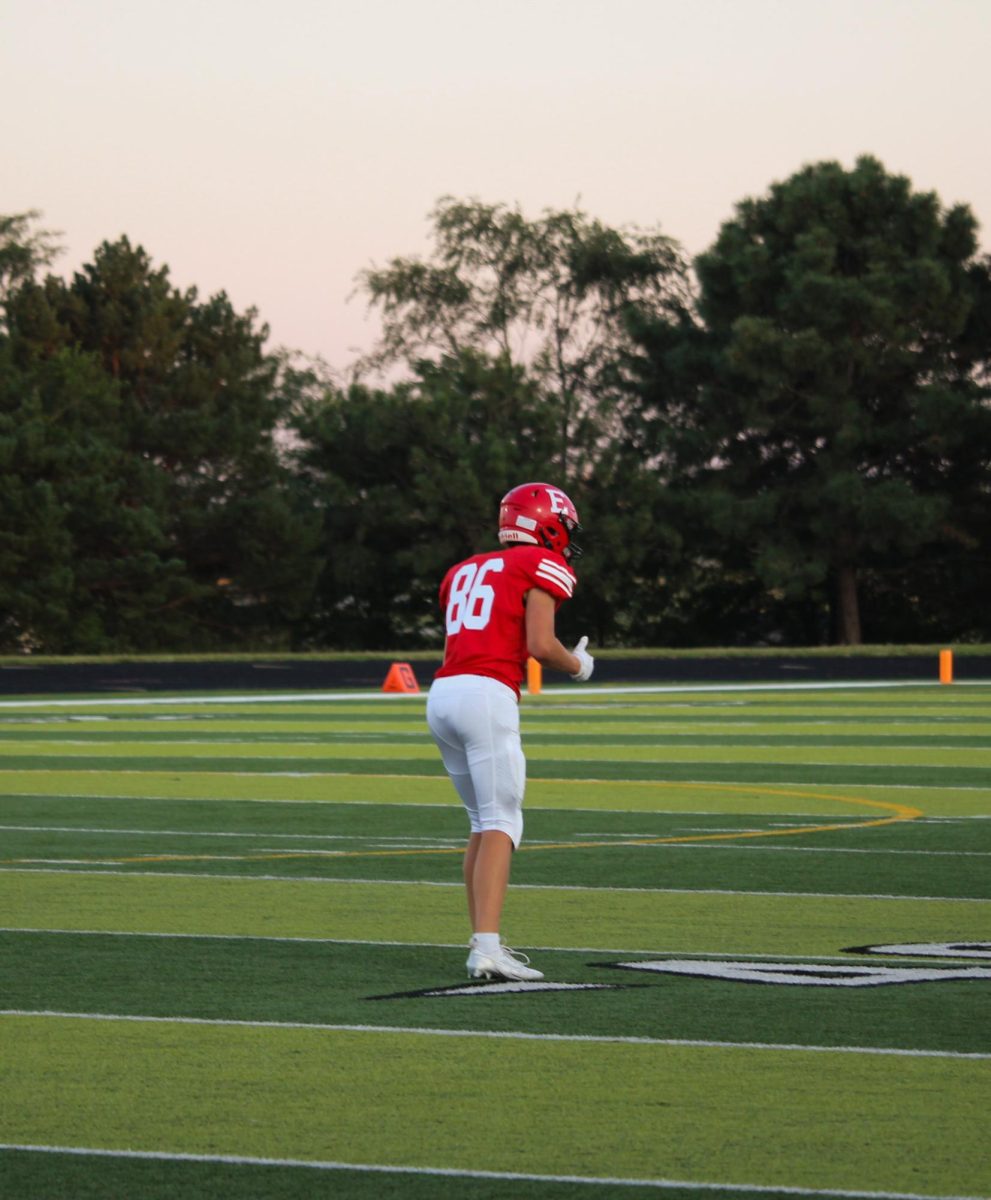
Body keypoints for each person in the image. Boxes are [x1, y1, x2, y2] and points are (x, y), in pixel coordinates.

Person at [426, 482, 595, 981]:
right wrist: (579, 665)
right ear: (544, 523)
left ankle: (483, 939)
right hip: (485, 694)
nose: (565, 537)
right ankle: (488, 948)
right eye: (562, 526)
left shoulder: (463, 569)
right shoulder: (539, 565)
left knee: (482, 822)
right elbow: (541, 644)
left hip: (442, 695)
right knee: (502, 821)